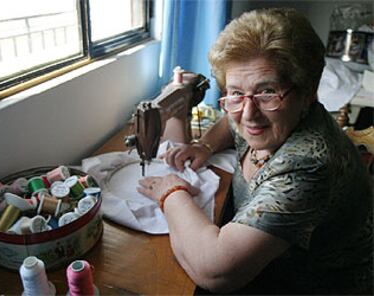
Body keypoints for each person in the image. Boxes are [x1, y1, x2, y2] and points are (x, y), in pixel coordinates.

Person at [136, 7, 373, 295]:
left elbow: (215, 272)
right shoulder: (267, 118)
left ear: (307, 92)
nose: (248, 115)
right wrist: (204, 145)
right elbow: (230, 119)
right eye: (235, 92)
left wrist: (171, 192)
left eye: (267, 91)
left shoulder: (308, 165)